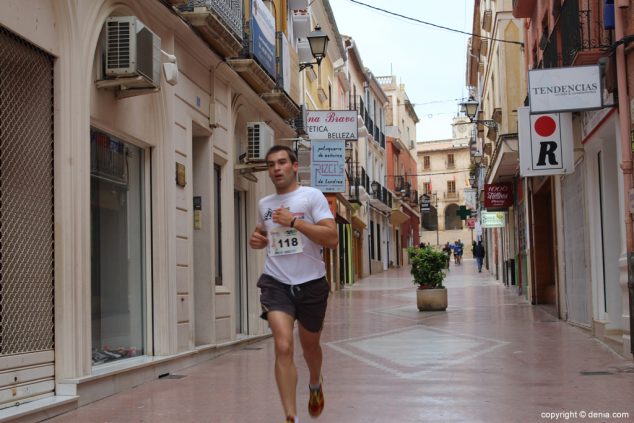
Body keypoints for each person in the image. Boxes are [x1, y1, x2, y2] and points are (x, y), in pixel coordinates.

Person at [249, 145, 338, 423]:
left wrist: (295, 223)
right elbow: (264, 234)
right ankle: (291, 417)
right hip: (276, 283)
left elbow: (332, 238)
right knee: (283, 346)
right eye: (271, 164)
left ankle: (315, 383)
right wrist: (257, 239)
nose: (276, 168)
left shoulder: (311, 197)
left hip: (311, 283)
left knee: (309, 346)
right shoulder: (264, 204)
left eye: (282, 162)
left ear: (294, 166)